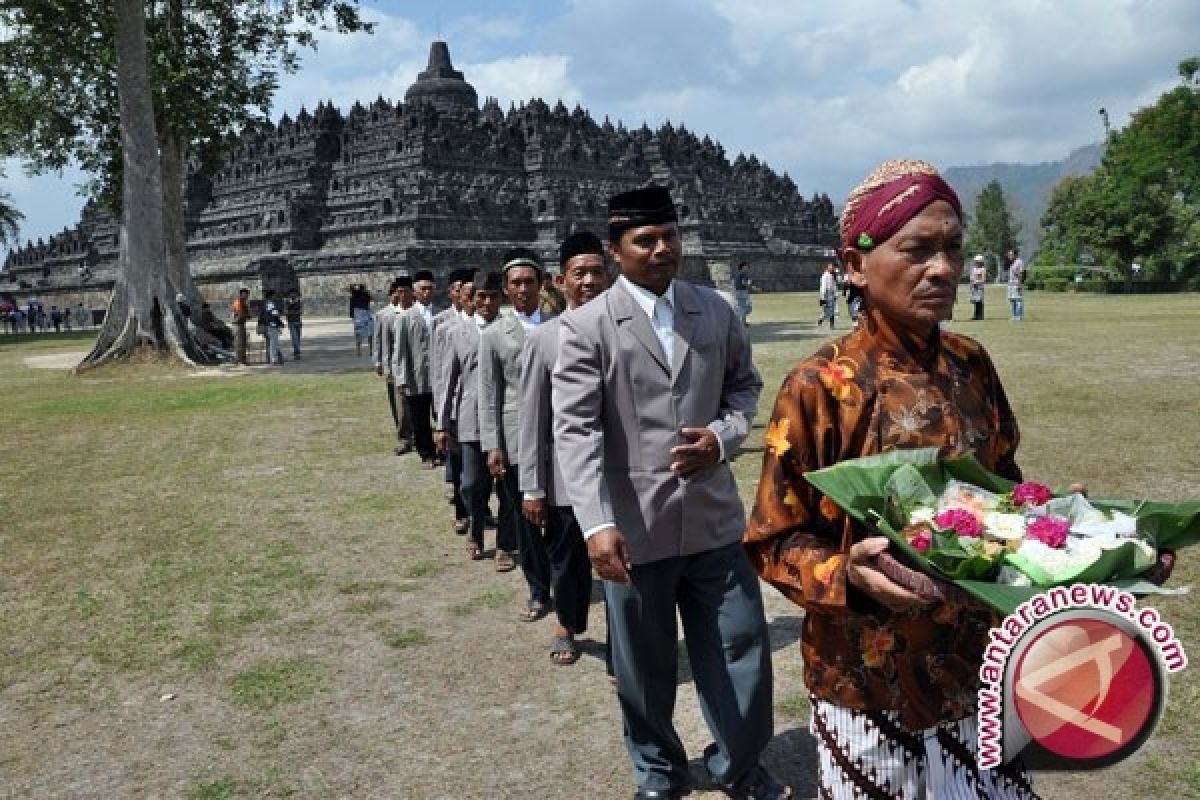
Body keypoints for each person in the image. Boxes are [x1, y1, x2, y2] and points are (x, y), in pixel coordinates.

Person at [743, 159, 1038, 798]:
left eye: (953, 249)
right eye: (918, 250)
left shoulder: (971, 363)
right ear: (855, 265)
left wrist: (1092, 546)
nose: (943, 269)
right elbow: (771, 542)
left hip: (980, 664)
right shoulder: (819, 386)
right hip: (868, 683)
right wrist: (845, 573)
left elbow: (1008, 493)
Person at [554, 187, 786, 800]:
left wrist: (721, 437)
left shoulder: (714, 311)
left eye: (670, 237)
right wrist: (595, 524)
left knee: (743, 649)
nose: (662, 249)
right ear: (615, 250)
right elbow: (574, 434)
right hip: (633, 532)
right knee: (645, 669)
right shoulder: (585, 327)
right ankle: (656, 771)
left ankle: (738, 763)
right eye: (645, 241)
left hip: (712, 520)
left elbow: (743, 390)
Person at [519, 232, 612, 667]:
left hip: (620, 475)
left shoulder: (627, 331)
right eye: (580, 273)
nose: (590, 281)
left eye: (597, 272)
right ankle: (567, 625)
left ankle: (623, 644)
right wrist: (532, 487)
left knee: (623, 565)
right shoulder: (544, 339)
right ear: (560, 280)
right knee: (568, 559)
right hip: (564, 477)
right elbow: (532, 419)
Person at [480, 249, 554, 620]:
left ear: (541, 285)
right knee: (526, 519)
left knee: (561, 516)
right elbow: (489, 393)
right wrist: (492, 445)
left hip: (558, 435)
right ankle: (538, 589)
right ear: (507, 290)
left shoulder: (562, 324)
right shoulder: (494, 335)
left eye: (529, 282)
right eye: (516, 283)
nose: (523, 289)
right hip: (514, 439)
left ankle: (563, 576)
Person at [439, 272, 504, 566]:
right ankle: (476, 531)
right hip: (470, 420)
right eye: (481, 296)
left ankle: (506, 543)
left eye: (492, 296)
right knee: (471, 483)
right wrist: (442, 424)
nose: (487, 302)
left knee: (508, 488)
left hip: (507, 419)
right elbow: (447, 381)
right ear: (471, 299)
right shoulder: (457, 333)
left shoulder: (512, 329)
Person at [432, 269, 472, 532]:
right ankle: (462, 511)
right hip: (455, 404)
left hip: (479, 406)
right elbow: (439, 371)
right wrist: (440, 414)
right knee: (459, 465)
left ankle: (478, 510)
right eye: (459, 289)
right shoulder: (444, 326)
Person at [393, 269, 440, 468]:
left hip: (439, 375)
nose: (427, 292)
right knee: (420, 417)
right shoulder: (405, 317)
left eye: (430, 288)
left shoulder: (441, 314)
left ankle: (443, 450)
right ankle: (426, 453)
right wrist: (401, 377)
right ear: (414, 291)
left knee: (442, 415)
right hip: (416, 376)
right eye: (423, 289)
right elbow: (399, 350)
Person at [373, 276, 415, 456]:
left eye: (407, 291)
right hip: (396, 366)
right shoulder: (386, 315)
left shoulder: (418, 313)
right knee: (399, 405)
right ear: (396, 293)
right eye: (400, 291)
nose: (404, 295)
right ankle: (405, 438)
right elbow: (381, 341)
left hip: (418, 366)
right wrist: (380, 362)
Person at [260, 289, 285, 365]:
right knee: (273, 343)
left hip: (269, 325)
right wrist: (281, 316)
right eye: (274, 295)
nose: (275, 297)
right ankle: (274, 360)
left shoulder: (265, 304)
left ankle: (278, 358)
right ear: (271, 296)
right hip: (272, 325)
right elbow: (275, 314)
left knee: (274, 342)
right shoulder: (270, 304)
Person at [349, 283, 373, 355]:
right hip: (364, 313)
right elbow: (371, 298)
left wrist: (354, 285)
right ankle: (369, 349)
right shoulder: (364, 295)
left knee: (360, 333)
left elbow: (350, 288)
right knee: (369, 333)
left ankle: (359, 350)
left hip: (359, 314)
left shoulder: (355, 295)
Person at [231, 288, 251, 365]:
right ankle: (239, 360)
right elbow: (241, 314)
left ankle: (241, 360)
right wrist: (249, 315)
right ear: (242, 294)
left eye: (247, 294)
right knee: (239, 343)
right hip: (237, 325)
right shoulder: (239, 302)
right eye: (246, 294)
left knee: (242, 342)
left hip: (241, 324)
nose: (247, 296)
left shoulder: (243, 302)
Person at [284, 288, 304, 360]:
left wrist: (291, 312)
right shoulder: (287, 301)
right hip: (291, 322)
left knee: (298, 338)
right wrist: (295, 312)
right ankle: (297, 352)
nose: (293, 295)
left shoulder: (299, 301)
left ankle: (296, 351)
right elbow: (286, 312)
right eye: (292, 293)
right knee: (294, 338)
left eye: (294, 293)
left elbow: (301, 311)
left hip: (298, 321)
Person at [1006, 248, 1025, 321]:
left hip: (1017, 283)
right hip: (1011, 284)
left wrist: (1020, 284)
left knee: (1018, 300)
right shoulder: (1012, 262)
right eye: (1009, 255)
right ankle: (1014, 315)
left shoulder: (1019, 262)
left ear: (1015, 255)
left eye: (1011, 255)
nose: (1009, 256)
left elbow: (1021, 274)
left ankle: (1019, 316)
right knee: (1012, 300)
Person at [818, 262, 838, 328]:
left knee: (832, 310)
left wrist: (835, 295)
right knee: (825, 312)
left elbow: (834, 286)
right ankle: (820, 321)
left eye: (832, 267)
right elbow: (823, 286)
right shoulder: (825, 275)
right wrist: (823, 297)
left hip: (831, 294)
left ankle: (832, 325)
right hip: (826, 295)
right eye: (831, 267)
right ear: (828, 267)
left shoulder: (833, 275)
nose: (832, 268)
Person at [970, 253, 988, 320]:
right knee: (975, 302)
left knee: (979, 301)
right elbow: (971, 277)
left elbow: (984, 279)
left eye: (977, 261)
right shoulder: (974, 269)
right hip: (974, 287)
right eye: (976, 261)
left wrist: (977, 282)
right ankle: (976, 315)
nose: (976, 263)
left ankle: (980, 316)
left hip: (979, 287)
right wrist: (972, 282)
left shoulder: (983, 269)